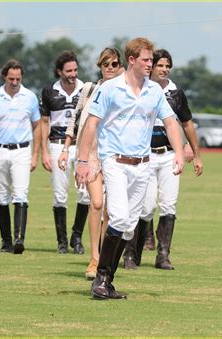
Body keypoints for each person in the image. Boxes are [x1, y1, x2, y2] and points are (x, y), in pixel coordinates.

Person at [76, 37, 185, 300]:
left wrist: (179, 153)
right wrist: (82, 160)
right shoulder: (110, 89)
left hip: (143, 166)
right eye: (147, 60)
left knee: (128, 228)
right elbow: (91, 124)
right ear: (132, 60)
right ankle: (100, 278)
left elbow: (171, 122)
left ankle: (106, 281)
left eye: (152, 60)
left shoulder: (154, 91)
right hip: (115, 162)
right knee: (121, 219)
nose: (151, 64)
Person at [123, 49, 203, 270]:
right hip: (145, 156)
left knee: (169, 205)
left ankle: (163, 255)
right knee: (145, 207)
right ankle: (132, 254)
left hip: (169, 155)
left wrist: (195, 153)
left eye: (167, 66)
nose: (164, 69)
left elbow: (187, 123)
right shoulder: (141, 89)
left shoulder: (176, 93)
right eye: (160, 65)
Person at [59, 47, 124, 279]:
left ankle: (105, 258)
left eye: (114, 63)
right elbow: (75, 120)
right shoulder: (89, 89)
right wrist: (67, 149)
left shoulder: (125, 92)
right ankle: (95, 257)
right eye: (105, 63)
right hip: (92, 154)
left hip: (116, 154)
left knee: (111, 209)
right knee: (96, 203)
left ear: (121, 66)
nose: (109, 68)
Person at [0, 59, 41, 255]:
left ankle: (19, 239)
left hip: (22, 150)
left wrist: (35, 154)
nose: (15, 82)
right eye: (11, 78)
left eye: (18, 78)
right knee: (1, 195)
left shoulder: (30, 97)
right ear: (4, 77)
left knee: (21, 193)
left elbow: (38, 125)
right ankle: (5, 241)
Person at [40, 51, 90, 255]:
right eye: (69, 70)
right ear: (59, 71)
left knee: (85, 194)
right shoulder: (49, 91)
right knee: (60, 195)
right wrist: (44, 151)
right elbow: (44, 123)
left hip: (81, 146)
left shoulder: (86, 89)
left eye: (75, 70)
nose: (73, 74)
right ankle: (62, 241)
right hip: (57, 144)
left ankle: (76, 238)